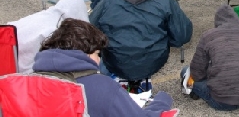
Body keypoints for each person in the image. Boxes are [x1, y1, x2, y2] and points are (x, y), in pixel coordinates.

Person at [32, 18, 178, 117]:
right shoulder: (101, 87)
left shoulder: (27, 81)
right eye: (97, 53)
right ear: (86, 53)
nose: (99, 59)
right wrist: (162, 101)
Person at [90, 0, 193, 80]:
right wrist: (163, 41)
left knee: (101, 66)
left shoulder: (108, 0)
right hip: (153, 61)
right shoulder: (165, 0)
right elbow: (182, 35)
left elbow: (90, 30)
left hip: (116, 62)